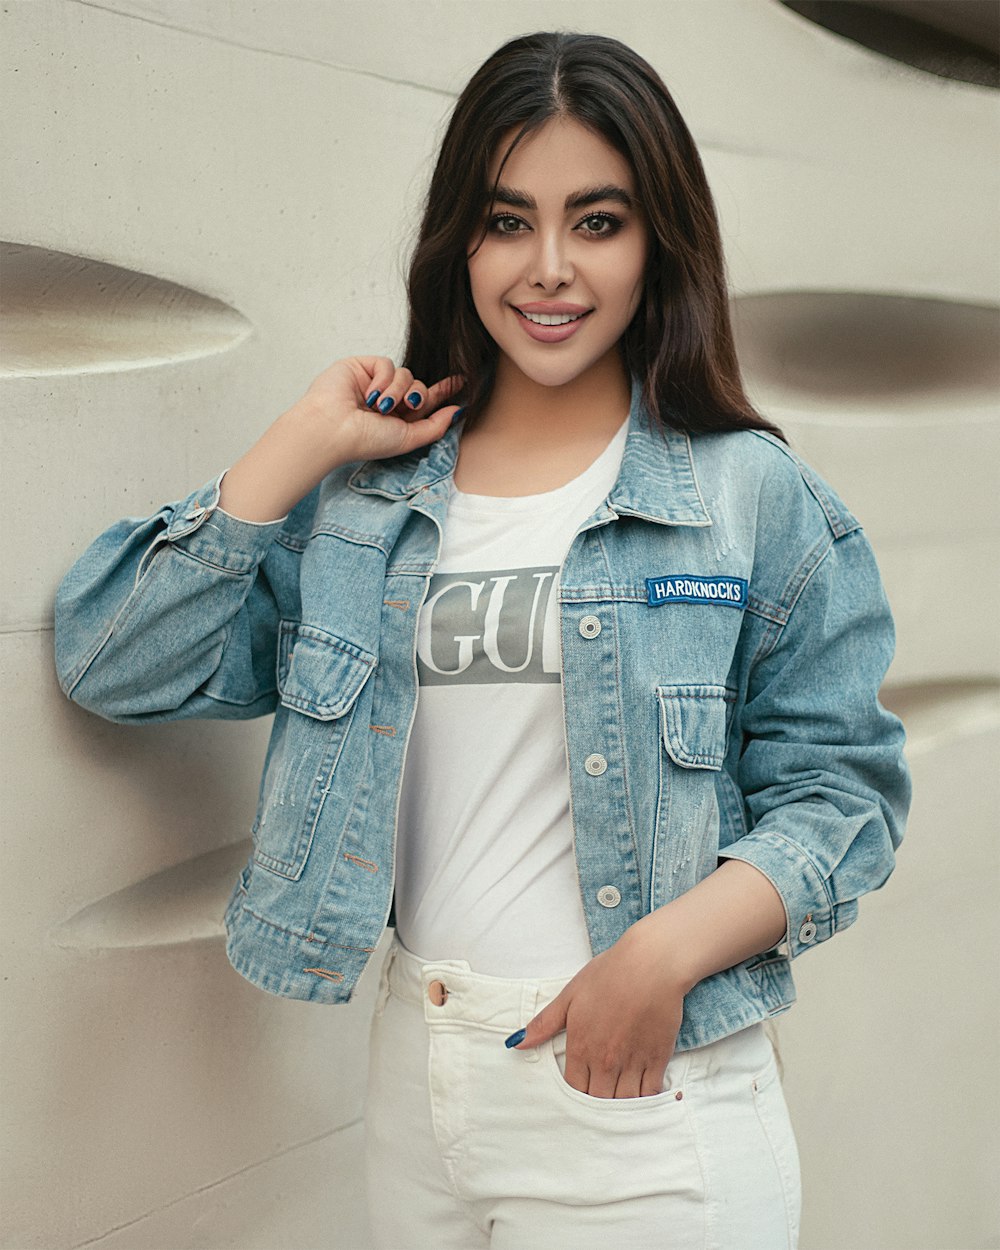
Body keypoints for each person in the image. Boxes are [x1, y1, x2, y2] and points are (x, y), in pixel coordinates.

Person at [54, 30, 910, 1250]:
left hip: (639, 1093)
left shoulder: (747, 496)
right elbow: (115, 658)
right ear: (460, 239)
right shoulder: (371, 502)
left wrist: (657, 954)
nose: (550, 269)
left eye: (597, 222)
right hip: (418, 1072)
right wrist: (298, 443)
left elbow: (847, 795)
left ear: (657, 239)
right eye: (509, 221)